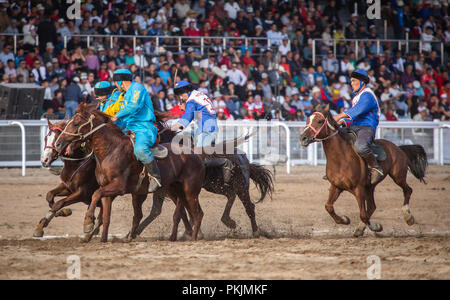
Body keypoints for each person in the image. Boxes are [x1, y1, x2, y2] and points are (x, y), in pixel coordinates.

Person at [170, 80, 232, 185]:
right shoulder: (199, 95)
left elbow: (185, 120)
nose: (181, 97)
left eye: (181, 94)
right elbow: (199, 114)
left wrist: (170, 128)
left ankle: (225, 162)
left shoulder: (191, 101)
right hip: (204, 128)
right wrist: (186, 108)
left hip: (207, 130)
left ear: (187, 91)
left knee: (200, 158)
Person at [110, 69, 161, 193]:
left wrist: (116, 115)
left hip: (144, 127)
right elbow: (126, 117)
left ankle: (156, 177)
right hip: (129, 127)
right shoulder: (126, 93)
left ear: (120, 81)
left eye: (116, 82)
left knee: (140, 150)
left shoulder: (137, 88)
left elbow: (133, 106)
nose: (115, 86)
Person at [332, 69, 384, 185]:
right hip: (355, 127)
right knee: (335, 138)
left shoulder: (367, 95)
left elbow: (357, 110)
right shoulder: (357, 96)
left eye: (353, 80)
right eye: (350, 81)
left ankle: (376, 167)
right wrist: (343, 122)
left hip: (366, 127)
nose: (351, 83)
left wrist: (339, 116)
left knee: (360, 147)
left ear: (362, 82)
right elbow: (354, 116)